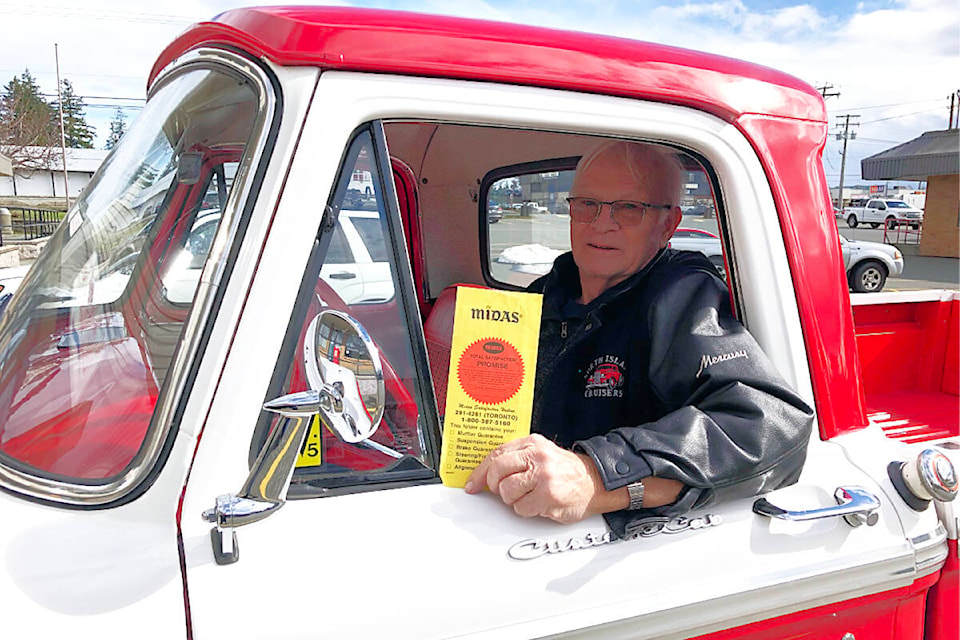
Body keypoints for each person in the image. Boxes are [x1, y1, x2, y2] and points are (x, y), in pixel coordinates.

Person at [464, 140, 814, 537]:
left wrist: (595, 475)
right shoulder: (543, 295)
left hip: (598, 544)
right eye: (587, 204)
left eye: (629, 208)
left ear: (668, 224)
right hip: (497, 510)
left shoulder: (679, 298)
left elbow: (770, 424)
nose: (601, 223)